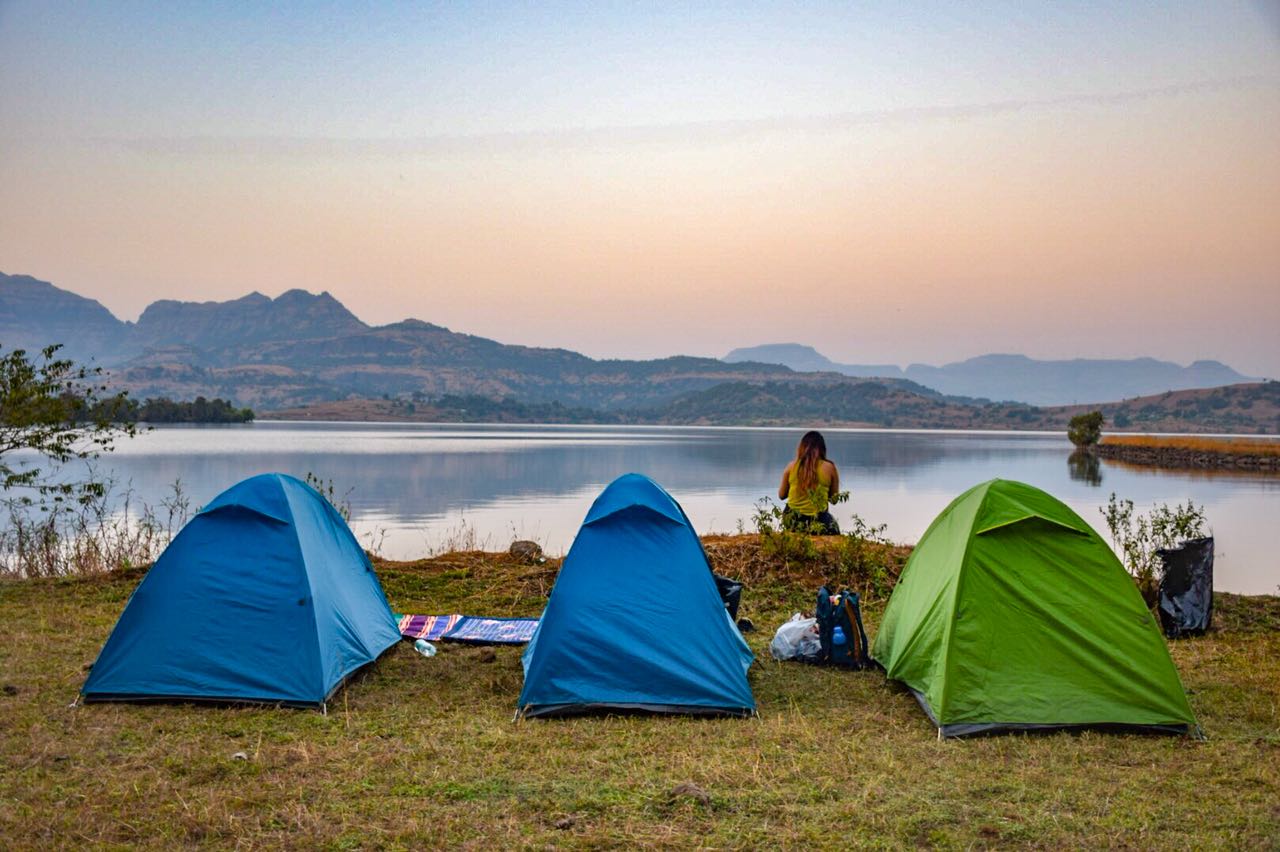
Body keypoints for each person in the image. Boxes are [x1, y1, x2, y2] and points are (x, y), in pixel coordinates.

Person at [777, 430, 841, 534]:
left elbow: (781, 495)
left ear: (801, 447)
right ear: (822, 449)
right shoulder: (830, 468)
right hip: (818, 521)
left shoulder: (791, 466)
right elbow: (834, 500)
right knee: (834, 529)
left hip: (792, 519)